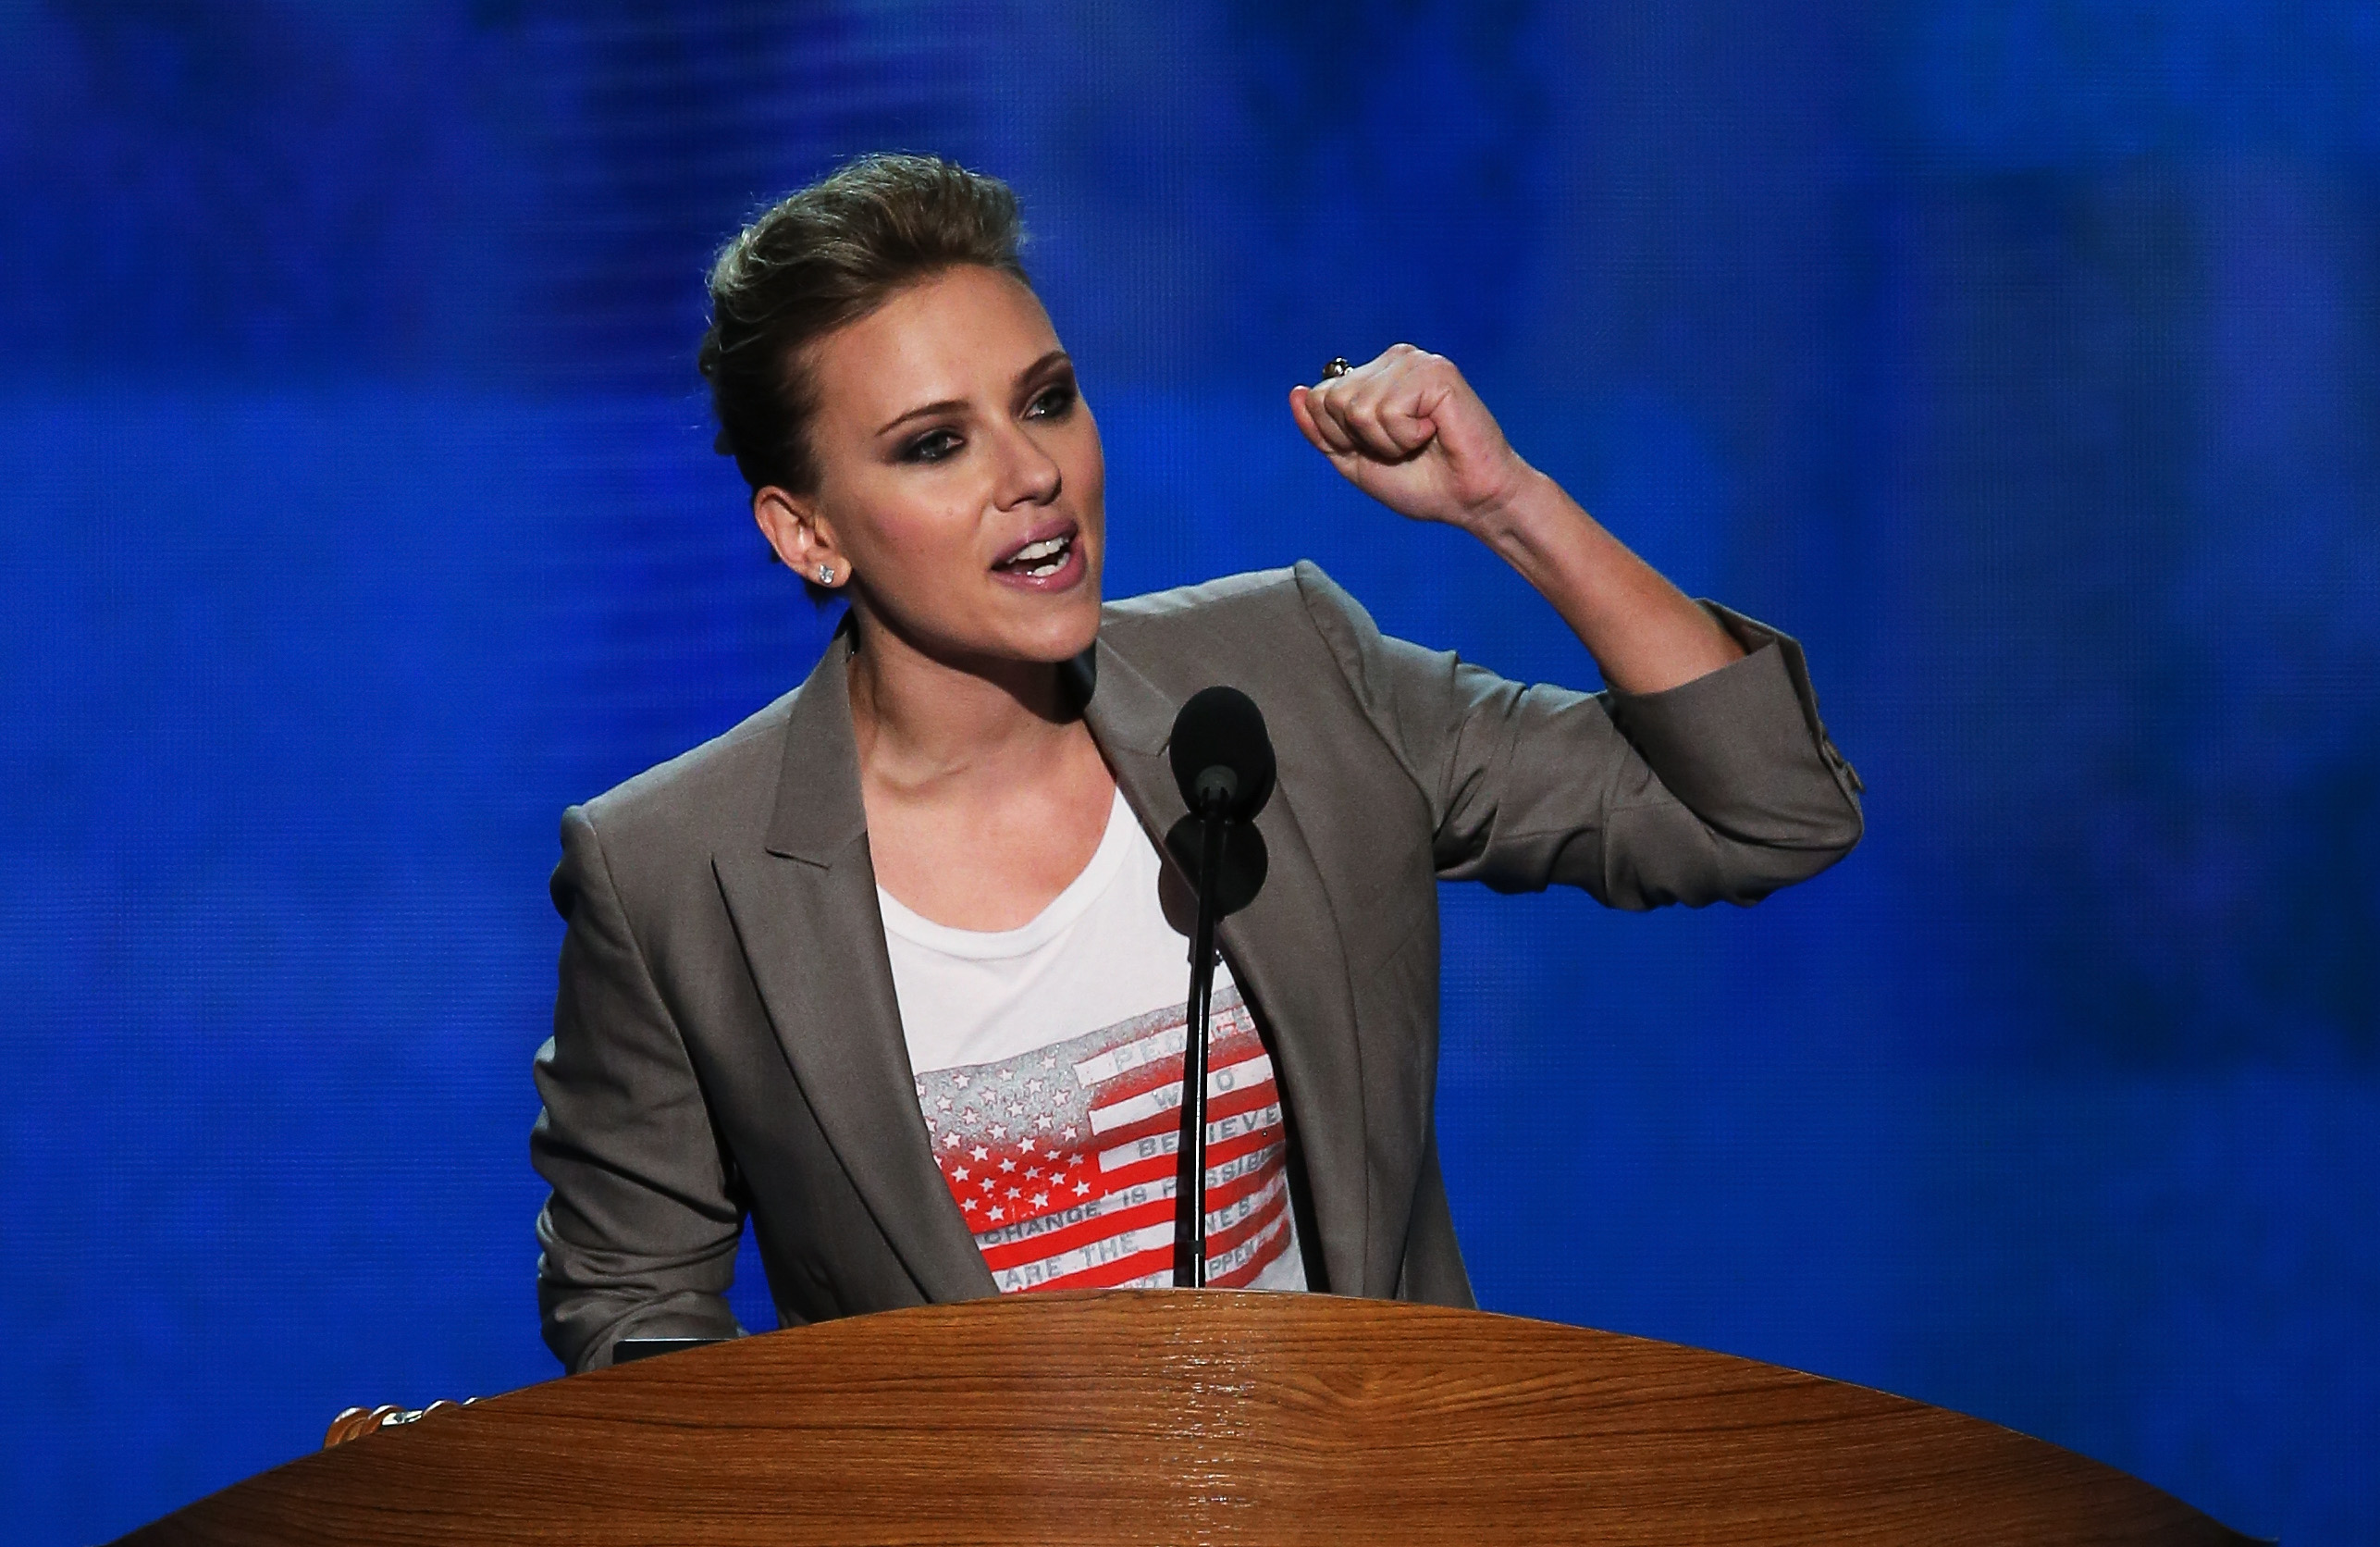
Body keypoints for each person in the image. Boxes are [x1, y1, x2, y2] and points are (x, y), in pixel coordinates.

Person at [530, 154, 1864, 1373]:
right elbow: (630, 1316)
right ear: (806, 531)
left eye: (1046, 401)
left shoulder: (1289, 677)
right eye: (936, 443)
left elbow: (1765, 813)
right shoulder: (671, 873)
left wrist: (1506, 505)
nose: (1030, 473)